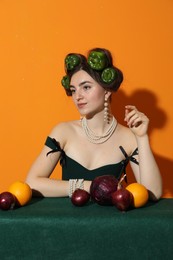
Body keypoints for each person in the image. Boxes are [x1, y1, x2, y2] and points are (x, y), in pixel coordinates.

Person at [26, 47, 162, 200]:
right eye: (73, 90)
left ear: (107, 90)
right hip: (66, 222)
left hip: (110, 223)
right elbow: (31, 183)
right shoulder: (63, 132)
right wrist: (86, 186)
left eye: (86, 87)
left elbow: (153, 192)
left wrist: (142, 137)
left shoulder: (129, 138)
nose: (78, 96)